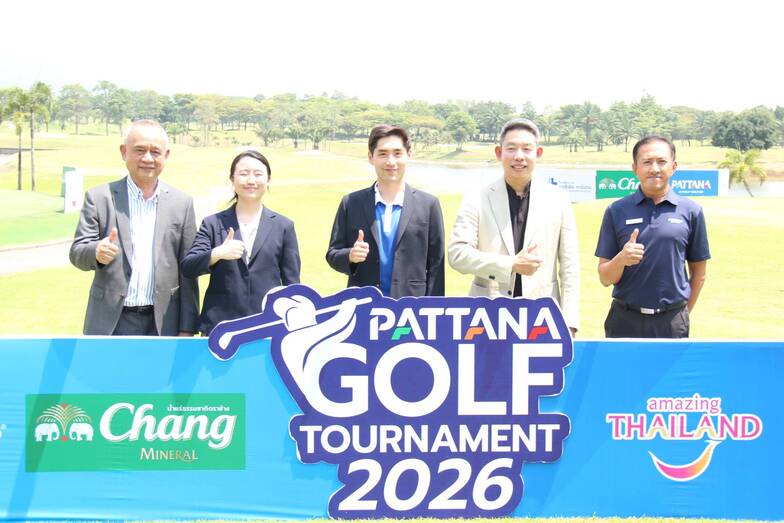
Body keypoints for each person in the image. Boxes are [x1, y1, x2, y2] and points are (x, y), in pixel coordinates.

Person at [448, 118, 579, 334]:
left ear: (538, 153)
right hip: (486, 317)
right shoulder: (477, 198)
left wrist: (570, 321)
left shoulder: (558, 199)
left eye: (527, 149)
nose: (519, 156)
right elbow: (457, 254)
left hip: (542, 317)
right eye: (511, 148)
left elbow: (569, 266)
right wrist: (510, 264)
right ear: (499, 153)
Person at [69, 120, 199, 336]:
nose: (147, 158)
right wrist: (96, 252)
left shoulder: (181, 204)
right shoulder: (100, 198)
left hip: (163, 321)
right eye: (139, 150)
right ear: (124, 152)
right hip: (111, 322)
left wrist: (187, 327)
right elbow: (77, 253)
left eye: (155, 152)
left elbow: (188, 270)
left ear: (166, 155)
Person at [595, 136, 709, 338]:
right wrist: (621, 259)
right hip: (624, 320)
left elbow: (699, 273)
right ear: (635, 168)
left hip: (672, 322)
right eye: (647, 162)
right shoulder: (616, 210)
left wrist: (682, 314)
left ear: (673, 167)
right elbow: (605, 278)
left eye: (661, 161)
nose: (654, 168)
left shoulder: (691, 211)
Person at [182, 150, 301, 335]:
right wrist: (217, 253)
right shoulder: (213, 223)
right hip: (220, 328)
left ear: (268, 180)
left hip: (268, 326)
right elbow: (189, 267)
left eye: (258, 174)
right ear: (232, 179)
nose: (251, 180)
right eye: (244, 174)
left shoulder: (283, 226)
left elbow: (291, 283)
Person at [326, 124, 445, 297]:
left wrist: (433, 308)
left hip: (410, 306)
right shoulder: (351, 203)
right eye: (382, 154)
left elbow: (436, 265)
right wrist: (350, 256)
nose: (391, 161)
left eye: (397, 153)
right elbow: (333, 254)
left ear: (409, 154)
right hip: (364, 305)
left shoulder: (428, 205)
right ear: (370, 157)